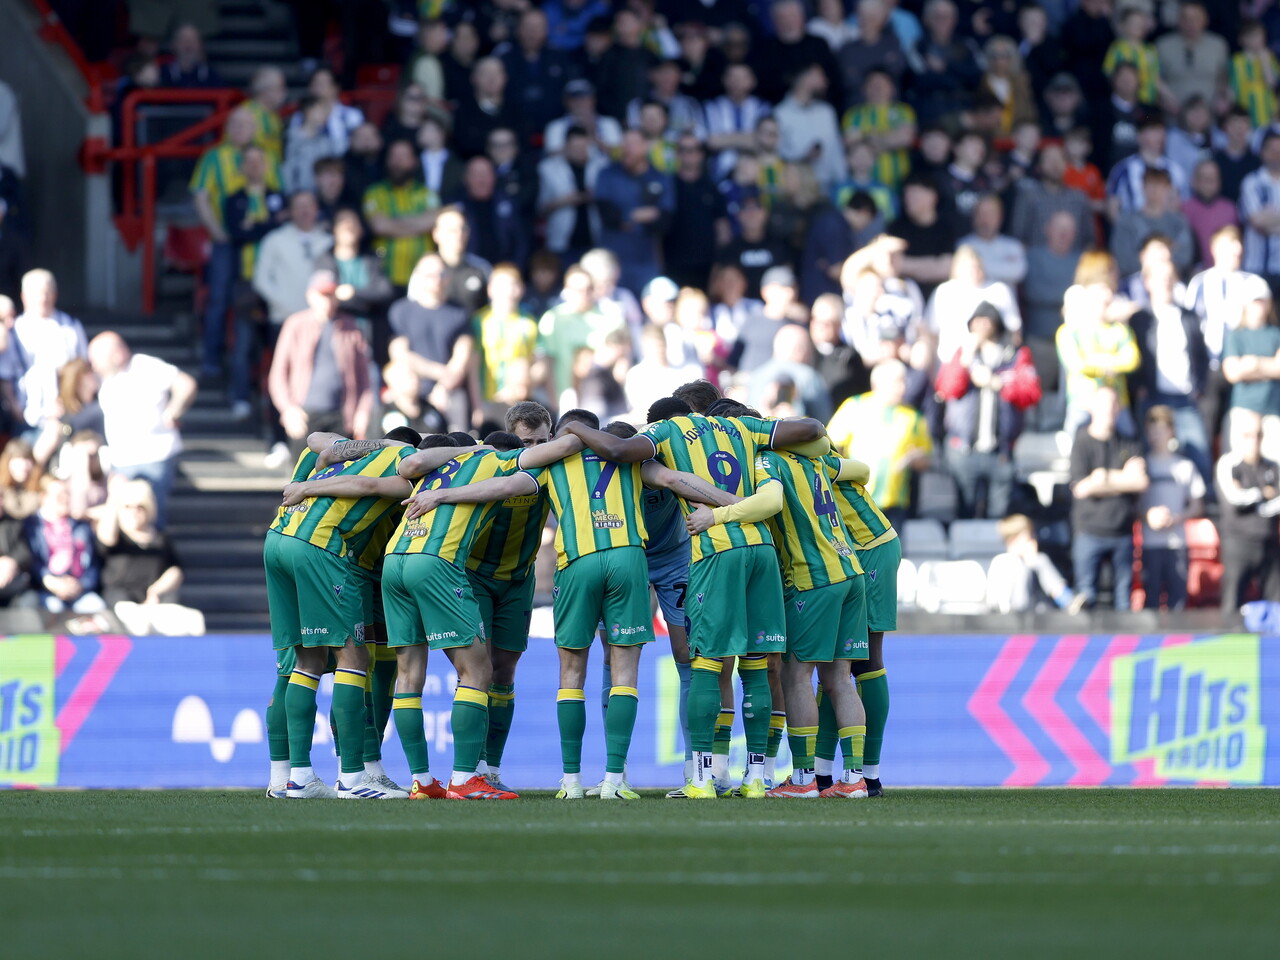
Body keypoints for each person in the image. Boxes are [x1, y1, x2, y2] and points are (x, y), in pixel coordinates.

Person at [562, 400, 827, 798]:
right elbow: (812, 428)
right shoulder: (744, 429)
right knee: (756, 666)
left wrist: (574, 428)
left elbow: (622, 453)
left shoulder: (662, 434)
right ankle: (756, 778)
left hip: (707, 550)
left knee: (700, 662)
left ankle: (700, 776)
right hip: (760, 547)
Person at [684, 421, 870, 799]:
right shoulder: (817, 461)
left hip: (813, 577)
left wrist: (715, 516)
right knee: (840, 679)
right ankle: (854, 779)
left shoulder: (767, 460)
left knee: (796, 677)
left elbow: (770, 502)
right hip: (851, 570)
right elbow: (862, 469)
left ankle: (803, 781)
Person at [266, 431, 422, 799]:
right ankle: (353, 778)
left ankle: (296, 777)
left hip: (277, 538)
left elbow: (319, 442)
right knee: (354, 657)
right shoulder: (408, 469)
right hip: (320, 546)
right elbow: (367, 485)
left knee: (305, 662)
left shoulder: (352, 453)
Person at [461, 402, 554, 791]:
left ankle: (491, 768)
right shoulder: (485, 464)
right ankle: (467, 769)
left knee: (505, 672)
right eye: (525, 441)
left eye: (540, 441)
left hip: (519, 580)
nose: (532, 449)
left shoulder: (554, 468)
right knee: (476, 671)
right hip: (476, 576)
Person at [191, 107, 281, 377]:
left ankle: (262, 363)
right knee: (219, 298)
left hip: (264, 247)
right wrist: (218, 232)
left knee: (262, 300)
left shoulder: (268, 158)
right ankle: (212, 358)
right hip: (227, 241)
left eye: (247, 124)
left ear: (255, 129)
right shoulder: (213, 157)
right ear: (227, 127)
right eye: (236, 124)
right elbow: (201, 197)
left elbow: (279, 194)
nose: (242, 129)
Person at [934, 304, 1041, 519]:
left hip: (1000, 451)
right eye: (976, 322)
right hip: (964, 449)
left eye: (986, 321)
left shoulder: (1015, 355)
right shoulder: (962, 354)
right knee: (965, 511)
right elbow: (946, 388)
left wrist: (998, 384)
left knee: (998, 515)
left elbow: (1031, 392)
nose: (981, 326)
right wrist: (965, 361)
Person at [86, 332, 197, 530]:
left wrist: (174, 411)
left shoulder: (144, 366)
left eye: (97, 359)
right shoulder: (104, 378)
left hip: (154, 456)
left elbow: (186, 384)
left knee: (151, 517)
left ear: (117, 354)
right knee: (125, 521)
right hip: (122, 461)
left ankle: (154, 558)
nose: (93, 365)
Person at [268, 271, 373, 458]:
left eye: (331, 295)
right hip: (305, 415)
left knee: (340, 479)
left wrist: (362, 412)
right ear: (310, 296)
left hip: (341, 416)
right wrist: (288, 409)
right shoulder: (296, 325)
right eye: (322, 295)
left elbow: (364, 378)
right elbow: (278, 375)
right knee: (302, 480)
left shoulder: (351, 328)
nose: (327, 300)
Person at [1130, 258, 1211, 485]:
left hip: (1186, 398)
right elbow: (1134, 358)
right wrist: (1141, 388)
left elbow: (1201, 357)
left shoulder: (1189, 316)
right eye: (1159, 278)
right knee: (1150, 455)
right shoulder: (1140, 319)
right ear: (1147, 282)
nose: (1165, 283)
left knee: (1199, 453)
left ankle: (1204, 508)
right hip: (1154, 399)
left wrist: (1199, 388)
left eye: (1169, 277)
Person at [1069, 386, 1149, 611]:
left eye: (1113, 404)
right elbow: (1081, 488)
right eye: (1103, 404)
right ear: (1092, 407)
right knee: (1086, 598)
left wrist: (1102, 478)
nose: (1108, 410)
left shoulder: (1129, 442)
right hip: (1089, 531)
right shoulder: (1082, 441)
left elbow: (1141, 482)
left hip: (1122, 532)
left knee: (1124, 601)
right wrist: (1123, 479)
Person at [827, 360, 932, 530]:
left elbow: (926, 458)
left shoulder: (912, 416)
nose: (903, 387)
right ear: (878, 383)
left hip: (895, 504)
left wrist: (914, 458)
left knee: (893, 552)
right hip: (857, 498)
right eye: (897, 382)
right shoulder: (855, 406)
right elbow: (831, 446)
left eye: (905, 382)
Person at [1186, 227, 1263, 440]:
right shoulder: (1200, 282)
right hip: (1209, 367)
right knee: (1206, 428)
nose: (1237, 248)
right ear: (1215, 249)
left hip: (1242, 368)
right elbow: (1190, 326)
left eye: (1239, 243)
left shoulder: (1252, 283)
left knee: (1239, 429)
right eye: (1231, 243)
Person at [1057, 251, 1141, 438]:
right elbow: (1076, 364)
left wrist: (1097, 361)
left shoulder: (1119, 330)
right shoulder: (1071, 329)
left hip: (1117, 401)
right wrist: (1107, 365)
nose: (1106, 297)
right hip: (1083, 401)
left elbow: (1132, 359)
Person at [387, 254, 474, 433]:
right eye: (430, 275)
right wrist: (440, 373)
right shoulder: (401, 310)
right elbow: (399, 354)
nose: (437, 280)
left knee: (458, 450)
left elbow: (463, 355)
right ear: (418, 277)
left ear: (448, 277)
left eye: (441, 274)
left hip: (449, 393)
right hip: (409, 394)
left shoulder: (459, 312)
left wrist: (444, 386)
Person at [2, 270, 87, 433]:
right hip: (27, 414)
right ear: (24, 296)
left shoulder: (70, 326)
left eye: (47, 292)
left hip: (66, 412)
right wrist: (14, 407)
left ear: (55, 294)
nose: (42, 298)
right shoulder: (14, 330)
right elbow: (6, 374)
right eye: (37, 293)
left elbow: (82, 366)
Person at [1140, 405, 1206, 611]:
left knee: (1178, 600)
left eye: (1160, 430)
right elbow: (1133, 506)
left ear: (1171, 431)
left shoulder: (1185, 466)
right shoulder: (1142, 465)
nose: (1155, 436)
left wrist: (1177, 518)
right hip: (1150, 544)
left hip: (1177, 543)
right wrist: (1148, 517)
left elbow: (1198, 505)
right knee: (1150, 600)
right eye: (1151, 431)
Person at [594, 129, 675, 296]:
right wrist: (639, 214)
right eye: (624, 144)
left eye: (633, 144)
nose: (627, 148)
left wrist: (625, 216)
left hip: (646, 260)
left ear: (645, 146)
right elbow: (608, 216)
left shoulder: (660, 177)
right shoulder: (607, 174)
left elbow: (664, 222)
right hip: (612, 260)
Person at [1215, 409, 1280, 612]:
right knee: (1231, 605)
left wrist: (1254, 496)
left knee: (1276, 604)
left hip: (1268, 543)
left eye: (1258, 434)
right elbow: (1236, 500)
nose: (1254, 440)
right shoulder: (1229, 464)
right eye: (1248, 435)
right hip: (1238, 544)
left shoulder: (1272, 466)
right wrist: (1263, 494)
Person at [363, 139, 440, 290]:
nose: (397, 162)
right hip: (384, 278)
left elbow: (431, 222)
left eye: (403, 156)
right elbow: (380, 226)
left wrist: (393, 221)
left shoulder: (427, 193)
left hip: (424, 279)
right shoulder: (374, 192)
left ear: (414, 161)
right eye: (393, 156)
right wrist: (418, 224)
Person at [924, 245, 1022, 363]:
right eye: (968, 268)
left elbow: (1014, 332)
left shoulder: (999, 290)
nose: (974, 272)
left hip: (994, 366)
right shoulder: (944, 292)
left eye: (977, 267)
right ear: (956, 268)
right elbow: (931, 334)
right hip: (951, 366)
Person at [96, 477, 183, 607]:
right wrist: (114, 497)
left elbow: (175, 570)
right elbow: (107, 537)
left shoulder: (161, 538)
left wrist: (156, 591)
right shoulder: (117, 535)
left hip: (154, 599)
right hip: (120, 598)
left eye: (140, 506)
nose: (134, 511)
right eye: (128, 506)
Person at [252, 190, 333, 327]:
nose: (304, 210)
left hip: (322, 319)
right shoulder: (274, 239)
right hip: (284, 319)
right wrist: (285, 304)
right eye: (299, 206)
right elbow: (261, 280)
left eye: (308, 205)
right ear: (290, 211)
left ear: (317, 209)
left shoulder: (329, 240)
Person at [24, 476, 104, 615]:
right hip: (46, 590)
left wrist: (80, 585)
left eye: (67, 493)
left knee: (97, 608)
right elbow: (30, 562)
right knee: (53, 609)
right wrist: (52, 582)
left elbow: (93, 564)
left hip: (79, 590)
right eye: (59, 495)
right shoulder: (32, 526)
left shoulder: (81, 526)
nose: (65, 498)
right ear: (44, 497)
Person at [1222, 276, 1280, 462]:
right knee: (1238, 464)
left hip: (1272, 410)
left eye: (1262, 300)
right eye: (1255, 301)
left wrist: (1253, 363)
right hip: (1243, 410)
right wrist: (1268, 365)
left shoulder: (1275, 334)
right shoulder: (1236, 336)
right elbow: (1232, 372)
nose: (1259, 305)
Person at [471, 265, 539, 424]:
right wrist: (477, 406)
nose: (507, 291)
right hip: (487, 399)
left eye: (512, 285)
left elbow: (537, 362)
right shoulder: (479, 321)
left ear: (521, 289)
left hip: (518, 401)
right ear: (490, 289)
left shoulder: (529, 323)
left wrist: (525, 383)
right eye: (501, 285)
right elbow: (472, 366)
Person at [1007, 142, 1093, 253]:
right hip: (1037, 265)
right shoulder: (1028, 196)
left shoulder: (1080, 198)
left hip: (1073, 264)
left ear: (1067, 165)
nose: (1055, 164)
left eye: (1060, 159)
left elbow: (1089, 241)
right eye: (1049, 159)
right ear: (1039, 167)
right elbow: (1017, 237)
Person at [538, 125, 605, 266]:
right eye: (575, 147)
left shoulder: (601, 165)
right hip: (561, 242)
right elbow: (540, 207)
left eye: (583, 147)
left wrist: (596, 195)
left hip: (594, 239)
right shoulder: (548, 169)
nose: (580, 151)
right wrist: (565, 201)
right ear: (566, 146)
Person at [987, 515, 1081, 614]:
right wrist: (1030, 560)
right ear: (1012, 539)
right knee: (1038, 561)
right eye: (1029, 537)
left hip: (1038, 613)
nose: (1034, 540)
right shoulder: (1002, 561)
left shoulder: (1036, 562)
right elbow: (1008, 601)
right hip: (1013, 614)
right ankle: (1068, 601)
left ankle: (1068, 601)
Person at [1109, 168, 1194, 278]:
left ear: (1168, 189)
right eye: (1150, 184)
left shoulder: (1179, 222)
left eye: (1160, 185)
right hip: (1134, 283)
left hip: (1171, 282)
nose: (1154, 189)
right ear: (1142, 187)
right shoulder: (1126, 222)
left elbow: (1185, 257)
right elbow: (1122, 260)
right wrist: (1156, 267)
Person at [773, 63, 845, 192]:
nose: (825, 80)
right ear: (805, 78)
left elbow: (836, 152)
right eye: (819, 75)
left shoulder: (826, 112)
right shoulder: (780, 114)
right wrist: (803, 157)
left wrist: (843, 183)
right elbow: (776, 153)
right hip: (795, 188)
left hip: (828, 188)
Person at [286, 67, 364, 155]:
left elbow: (360, 145)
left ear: (335, 88)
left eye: (322, 84)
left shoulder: (352, 115)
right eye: (315, 84)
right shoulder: (299, 117)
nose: (318, 89)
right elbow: (295, 149)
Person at [544, 79, 623, 160]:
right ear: (566, 102)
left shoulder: (609, 124)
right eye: (575, 99)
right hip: (567, 171)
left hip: (605, 171)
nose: (580, 103)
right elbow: (551, 157)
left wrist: (594, 136)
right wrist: (576, 144)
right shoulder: (555, 127)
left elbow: (619, 155)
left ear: (593, 100)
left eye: (584, 98)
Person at [1240, 133, 1280, 291]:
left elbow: (1264, 222)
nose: (1277, 154)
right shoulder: (1252, 182)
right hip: (1256, 267)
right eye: (1272, 150)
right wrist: (1264, 221)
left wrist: (1270, 218)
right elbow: (1257, 221)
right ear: (1262, 152)